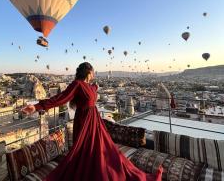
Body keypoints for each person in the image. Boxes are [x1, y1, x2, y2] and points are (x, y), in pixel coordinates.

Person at [22, 62, 162, 181]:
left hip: (95, 122)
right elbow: (61, 98)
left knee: (104, 150)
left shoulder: (90, 86)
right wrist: (36, 106)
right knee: (85, 150)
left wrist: (96, 86)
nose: (94, 73)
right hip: (83, 122)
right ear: (88, 72)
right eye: (93, 71)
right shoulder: (77, 84)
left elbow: (93, 90)